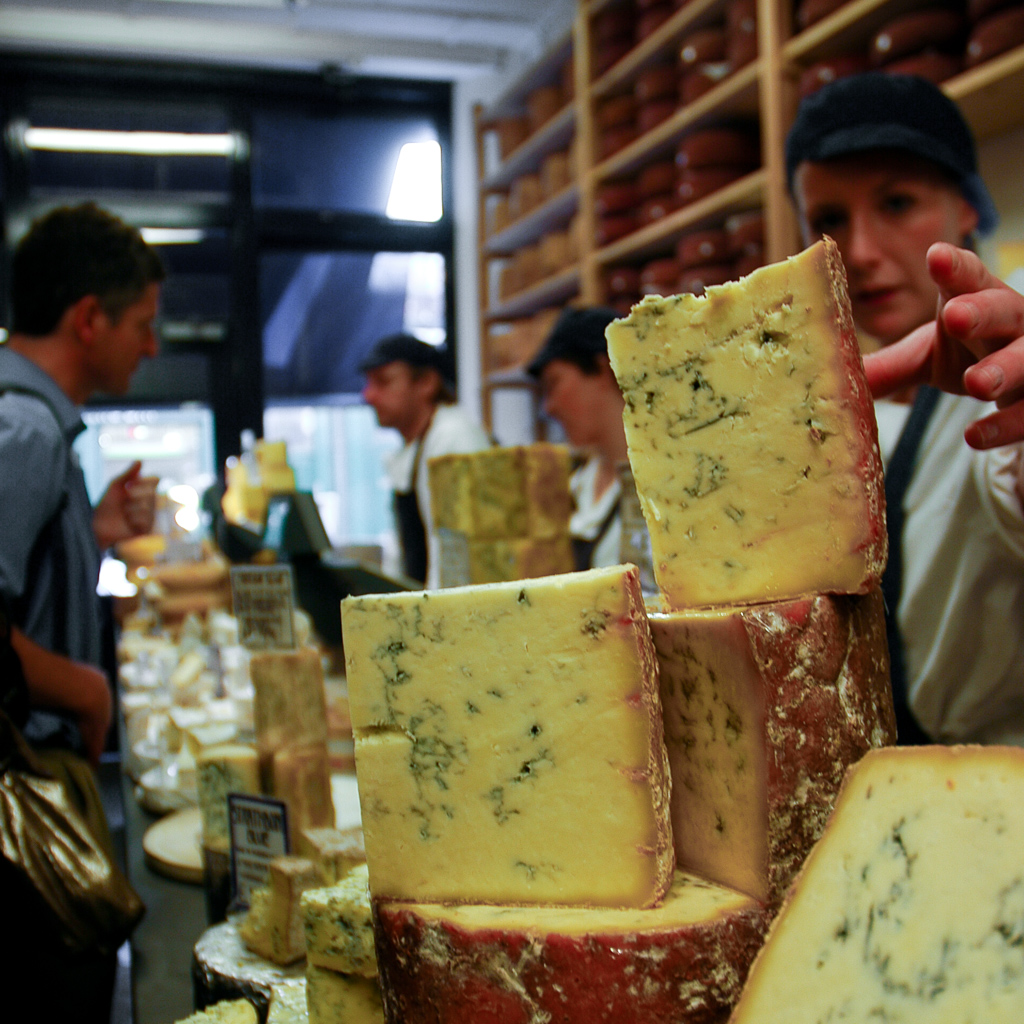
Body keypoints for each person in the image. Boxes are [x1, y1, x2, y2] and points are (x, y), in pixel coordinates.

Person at [786, 72, 1024, 746]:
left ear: (968, 206)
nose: (859, 252)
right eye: (829, 219)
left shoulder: (1009, 365)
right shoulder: (822, 410)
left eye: (897, 201)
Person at [0, 202, 162, 1019]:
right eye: (143, 321)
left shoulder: (38, 432)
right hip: (23, 790)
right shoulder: (22, 430)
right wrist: (87, 689)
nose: (153, 345)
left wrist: (89, 532)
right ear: (88, 318)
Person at [360, 333, 490, 587]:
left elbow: (455, 561)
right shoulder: (419, 444)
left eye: (383, 382)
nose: (369, 396)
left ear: (427, 383)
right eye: (368, 384)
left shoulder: (453, 439)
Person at [527, 307, 635, 572]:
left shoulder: (662, 486)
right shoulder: (577, 483)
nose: (548, 407)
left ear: (602, 369)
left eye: (554, 384)